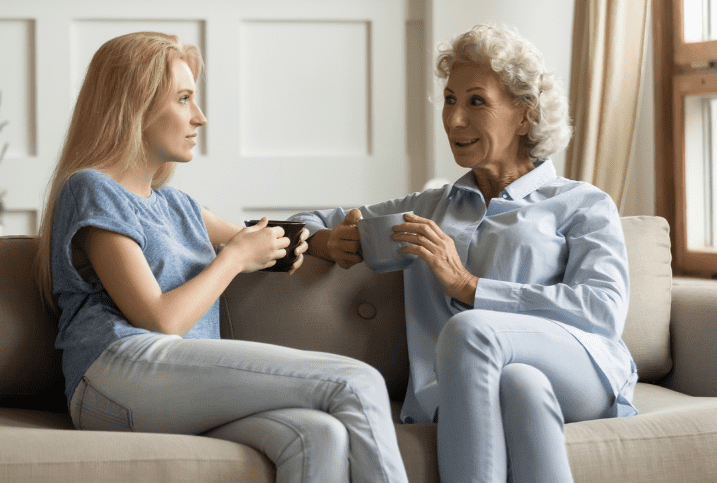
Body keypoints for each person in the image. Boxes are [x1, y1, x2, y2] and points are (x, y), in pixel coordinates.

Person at [35, 31, 409, 483]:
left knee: (318, 435)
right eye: (184, 99)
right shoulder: (91, 188)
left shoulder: (178, 207)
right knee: (358, 383)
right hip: (114, 373)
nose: (201, 117)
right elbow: (159, 318)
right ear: (134, 105)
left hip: (172, 384)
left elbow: (265, 240)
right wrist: (233, 258)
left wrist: (330, 242)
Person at [290, 25, 638, 483]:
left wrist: (470, 287)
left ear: (525, 115)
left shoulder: (581, 202)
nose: (454, 120)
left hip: (583, 368)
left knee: (471, 330)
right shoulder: (429, 209)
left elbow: (604, 310)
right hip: (471, 386)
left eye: (476, 101)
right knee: (521, 386)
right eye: (450, 100)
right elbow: (305, 218)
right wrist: (325, 241)